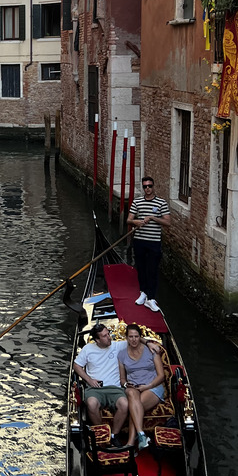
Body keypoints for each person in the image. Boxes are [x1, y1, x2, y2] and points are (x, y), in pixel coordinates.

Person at [73, 324, 130, 442]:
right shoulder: (88, 349)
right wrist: (89, 380)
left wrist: (148, 343)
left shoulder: (117, 346)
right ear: (97, 340)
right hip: (95, 389)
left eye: (108, 334)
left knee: (124, 404)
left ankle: (114, 435)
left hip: (115, 389)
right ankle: (102, 434)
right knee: (92, 404)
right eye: (105, 336)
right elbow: (76, 366)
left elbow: (135, 339)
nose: (109, 337)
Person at [116, 323, 165, 450]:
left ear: (140, 337)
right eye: (131, 337)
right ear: (126, 338)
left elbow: (161, 376)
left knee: (136, 406)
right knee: (132, 395)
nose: (133, 339)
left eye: (136, 336)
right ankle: (141, 436)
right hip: (134, 388)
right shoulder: (121, 355)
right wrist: (127, 384)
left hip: (153, 386)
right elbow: (122, 379)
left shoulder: (151, 350)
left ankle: (131, 443)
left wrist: (148, 386)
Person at [127, 175, 170, 312]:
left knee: (152, 270)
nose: (147, 189)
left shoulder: (161, 203)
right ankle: (143, 293)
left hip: (154, 242)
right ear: (143, 187)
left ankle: (151, 298)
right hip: (139, 240)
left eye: (149, 186)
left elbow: (168, 222)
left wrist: (152, 217)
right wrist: (135, 222)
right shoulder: (137, 202)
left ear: (153, 187)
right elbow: (129, 219)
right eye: (145, 186)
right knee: (141, 268)